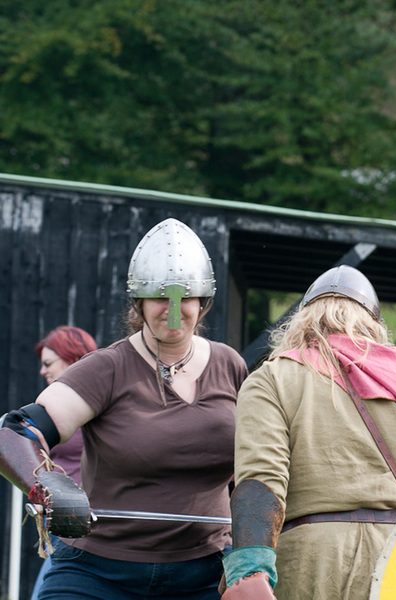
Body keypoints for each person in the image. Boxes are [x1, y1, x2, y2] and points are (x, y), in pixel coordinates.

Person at [0, 218, 248, 600]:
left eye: (186, 297)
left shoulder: (230, 365)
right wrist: (45, 485)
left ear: (203, 302)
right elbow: (17, 430)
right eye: (161, 297)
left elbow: (259, 459)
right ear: (139, 301)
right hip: (98, 571)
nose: (174, 308)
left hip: (206, 572)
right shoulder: (108, 368)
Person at [220, 265, 396, 600]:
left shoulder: (272, 379)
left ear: (301, 321)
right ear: (374, 326)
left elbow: (262, 481)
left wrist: (249, 572)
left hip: (309, 565)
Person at [30, 326, 97, 600]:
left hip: (85, 524)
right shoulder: (51, 406)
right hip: (58, 524)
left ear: (72, 359)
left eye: (48, 364)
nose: (43, 371)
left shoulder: (96, 404)